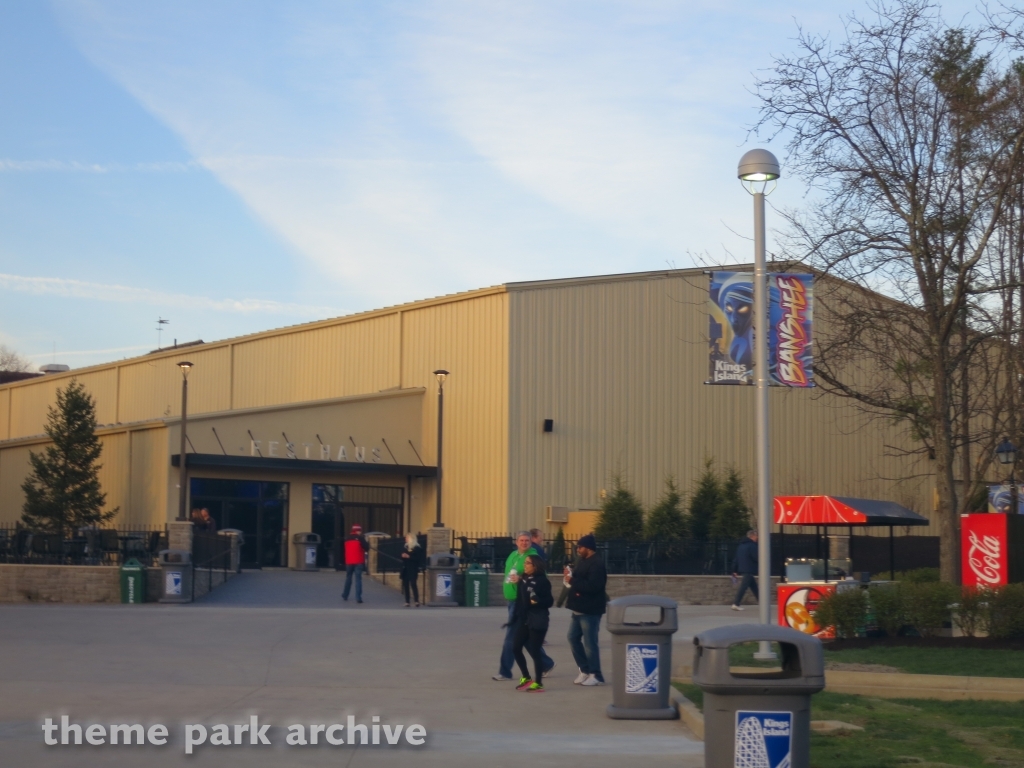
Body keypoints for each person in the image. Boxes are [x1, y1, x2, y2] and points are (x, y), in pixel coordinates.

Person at [493, 531, 554, 681]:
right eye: (521, 540)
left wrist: (521, 579)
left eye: (527, 540)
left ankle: (505, 671)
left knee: (510, 638)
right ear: (517, 542)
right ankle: (546, 663)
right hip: (512, 600)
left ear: (531, 542)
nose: (524, 543)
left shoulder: (534, 557)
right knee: (525, 639)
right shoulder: (513, 555)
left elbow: (540, 578)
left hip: (522, 602)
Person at [565, 533, 607, 686]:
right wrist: (569, 577)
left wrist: (573, 580)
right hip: (578, 608)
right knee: (572, 638)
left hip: (590, 610)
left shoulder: (596, 564)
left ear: (588, 548)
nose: (577, 549)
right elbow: (578, 580)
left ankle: (596, 675)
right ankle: (585, 670)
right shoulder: (583, 561)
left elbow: (593, 586)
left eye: (580, 547)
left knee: (590, 643)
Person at [510, 554, 553, 692]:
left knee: (535, 651)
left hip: (537, 619)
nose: (525, 565)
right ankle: (526, 677)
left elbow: (549, 601)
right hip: (524, 619)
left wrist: (538, 600)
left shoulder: (542, 581)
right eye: (525, 563)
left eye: (528, 563)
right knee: (516, 647)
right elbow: (519, 599)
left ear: (535, 566)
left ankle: (539, 682)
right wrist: (515, 617)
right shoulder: (524, 579)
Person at [731, 529, 759, 611]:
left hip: (743, 569)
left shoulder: (741, 546)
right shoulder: (752, 546)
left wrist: (734, 570)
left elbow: (736, 559)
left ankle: (762, 601)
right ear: (752, 536)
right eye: (756, 536)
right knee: (743, 587)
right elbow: (756, 557)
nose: (757, 537)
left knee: (754, 587)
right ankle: (736, 603)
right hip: (749, 569)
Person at [341, 524, 368, 603]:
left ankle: (345, 595)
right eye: (360, 530)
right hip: (358, 561)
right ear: (357, 531)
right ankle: (358, 597)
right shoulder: (360, 538)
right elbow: (367, 547)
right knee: (358, 579)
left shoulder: (347, 539)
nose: (360, 532)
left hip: (349, 561)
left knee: (348, 578)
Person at [399, 533, 423, 607]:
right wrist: (403, 556)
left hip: (413, 568)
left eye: (407, 538)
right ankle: (407, 601)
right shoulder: (405, 547)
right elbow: (402, 557)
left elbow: (418, 559)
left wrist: (409, 556)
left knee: (413, 583)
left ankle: (416, 600)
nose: (405, 539)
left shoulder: (417, 548)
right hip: (405, 567)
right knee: (405, 584)